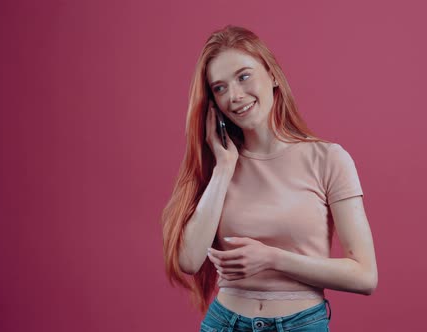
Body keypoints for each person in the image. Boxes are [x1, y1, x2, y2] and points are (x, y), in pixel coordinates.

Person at [161, 25, 377, 331]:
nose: (234, 96)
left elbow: (365, 276)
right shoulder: (217, 164)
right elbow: (189, 260)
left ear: (273, 75)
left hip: (301, 324)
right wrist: (223, 168)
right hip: (225, 322)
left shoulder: (328, 159)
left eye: (243, 76)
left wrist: (272, 259)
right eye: (219, 88)